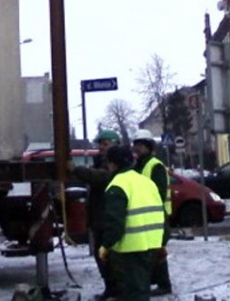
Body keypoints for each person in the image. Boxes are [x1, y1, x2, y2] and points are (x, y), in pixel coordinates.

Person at [98, 145, 166, 301]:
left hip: (131, 247)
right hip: (151, 244)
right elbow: (161, 213)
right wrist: (162, 242)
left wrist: (105, 246)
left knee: (134, 291)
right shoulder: (146, 182)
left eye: (108, 163)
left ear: (113, 164)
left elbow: (115, 223)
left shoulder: (117, 185)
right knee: (142, 288)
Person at [68, 129, 121, 300]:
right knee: (102, 257)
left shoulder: (115, 164)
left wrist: (76, 169)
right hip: (100, 218)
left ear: (114, 144)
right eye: (100, 144)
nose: (101, 148)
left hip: (108, 219)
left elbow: (100, 178)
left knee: (110, 257)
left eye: (105, 144)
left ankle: (117, 289)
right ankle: (111, 288)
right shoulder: (100, 162)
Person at [132, 130, 172, 297]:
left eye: (140, 145)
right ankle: (153, 282)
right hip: (145, 214)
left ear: (148, 146)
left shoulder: (155, 166)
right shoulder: (139, 165)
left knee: (156, 249)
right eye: (136, 145)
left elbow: (159, 192)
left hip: (156, 214)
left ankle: (164, 284)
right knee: (148, 250)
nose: (137, 148)